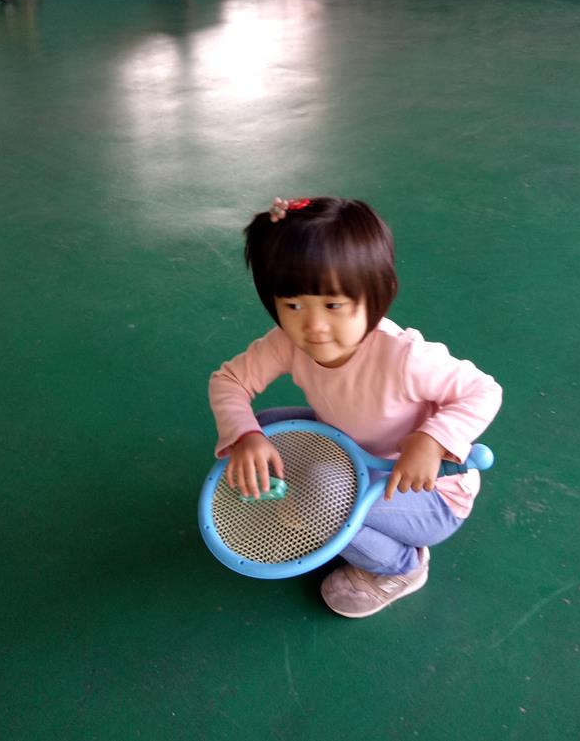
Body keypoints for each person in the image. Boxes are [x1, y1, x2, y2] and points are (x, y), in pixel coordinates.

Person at [208, 196, 502, 618]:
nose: (313, 326)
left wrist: (433, 440)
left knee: (321, 499)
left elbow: (483, 390)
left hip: (426, 493)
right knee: (266, 426)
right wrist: (246, 436)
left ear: (377, 295)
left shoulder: (403, 357)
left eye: (333, 305)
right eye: (293, 305)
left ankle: (402, 567)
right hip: (347, 453)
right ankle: (318, 499)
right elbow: (229, 380)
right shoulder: (288, 342)